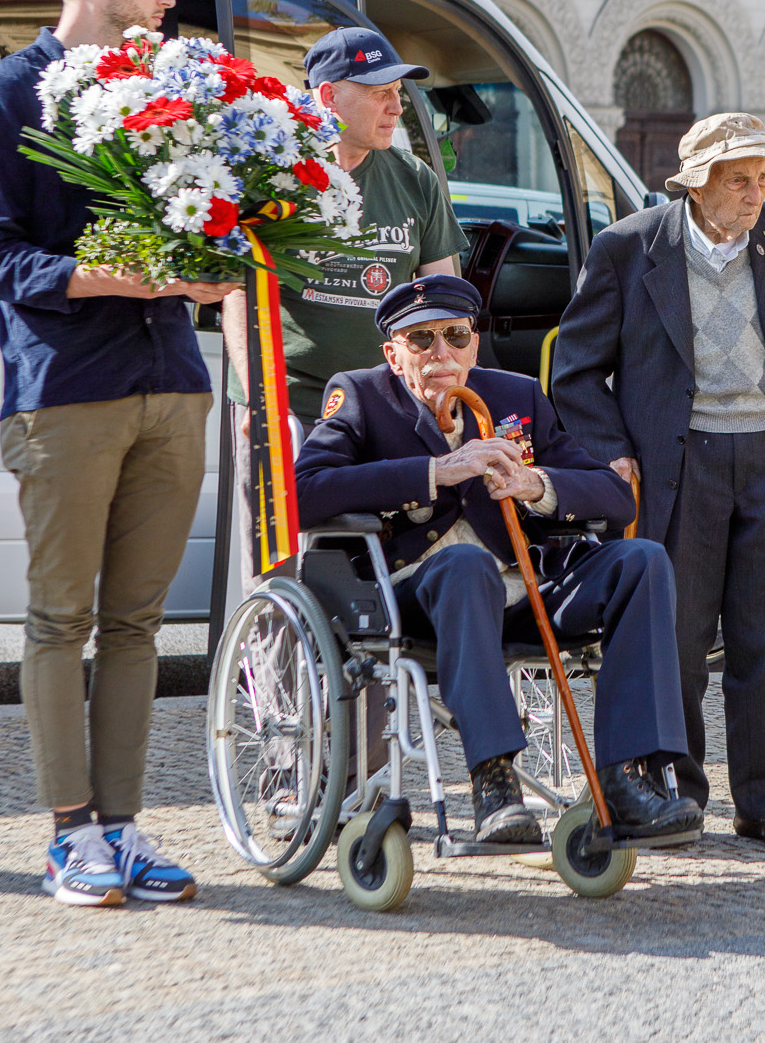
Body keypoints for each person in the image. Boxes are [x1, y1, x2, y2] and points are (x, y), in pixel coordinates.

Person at [0, 0, 236, 907]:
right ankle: (68, 836)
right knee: (59, 620)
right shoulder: (8, 92)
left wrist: (215, 262)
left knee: (136, 626)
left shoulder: (167, 90)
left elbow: (200, 225)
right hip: (67, 393)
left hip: (172, 382)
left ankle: (120, 829)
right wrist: (113, 275)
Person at [296, 276, 702, 845]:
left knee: (642, 560)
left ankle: (627, 779)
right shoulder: (362, 396)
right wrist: (436, 472)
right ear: (393, 354)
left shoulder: (516, 395)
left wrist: (538, 485)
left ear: (474, 345)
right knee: (466, 565)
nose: (441, 352)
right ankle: (494, 782)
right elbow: (304, 492)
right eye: (421, 339)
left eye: (456, 336)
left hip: (522, 590)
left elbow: (614, 498)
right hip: (418, 595)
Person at [552, 113, 765, 851]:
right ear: (695, 185)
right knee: (677, 642)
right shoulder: (629, 246)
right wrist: (615, 452)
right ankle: (678, 793)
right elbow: (575, 371)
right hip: (678, 465)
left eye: (762, 177)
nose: (755, 193)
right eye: (738, 179)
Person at [222, 25, 468, 427]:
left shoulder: (415, 178)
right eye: (380, 93)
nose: (397, 107)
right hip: (289, 407)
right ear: (328, 96)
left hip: (387, 406)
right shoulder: (274, 175)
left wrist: (446, 389)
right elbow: (238, 292)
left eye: (398, 92)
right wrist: (260, 397)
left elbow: (443, 300)